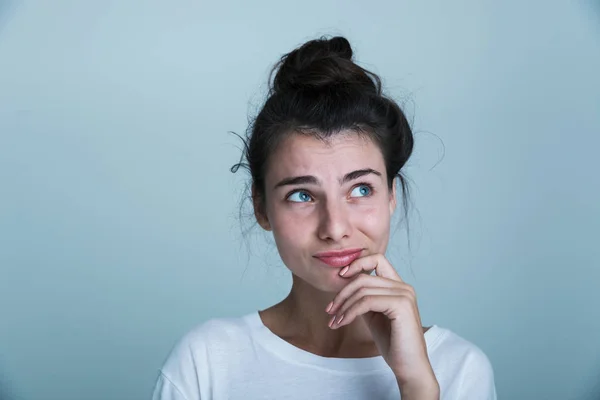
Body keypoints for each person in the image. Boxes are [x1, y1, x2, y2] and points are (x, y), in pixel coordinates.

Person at [152, 36, 497, 400]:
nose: (335, 228)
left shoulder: (458, 369)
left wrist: (417, 386)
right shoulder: (206, 364)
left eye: (361, 189)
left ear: (391, 195)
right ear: (261, 207)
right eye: (302, 195)